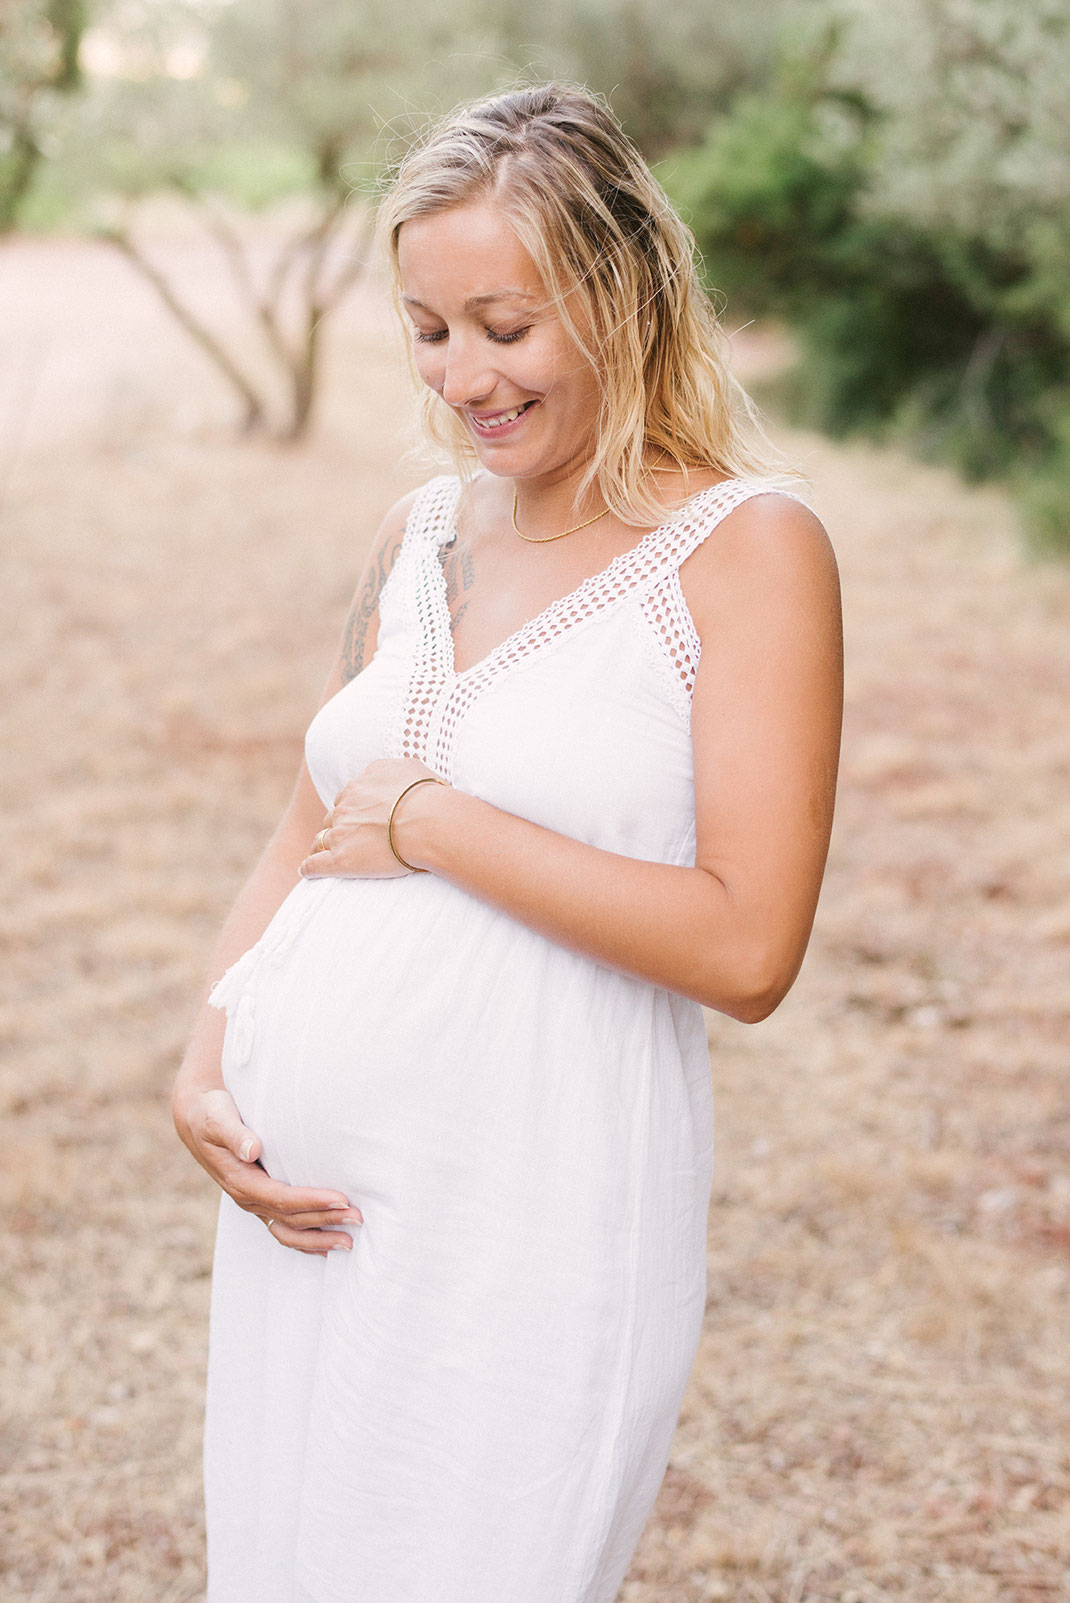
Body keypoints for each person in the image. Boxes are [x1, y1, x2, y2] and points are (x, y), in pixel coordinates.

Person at [172, 82, 842, 1603]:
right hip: (306, 1230)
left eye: (505, 324)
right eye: (427, 328)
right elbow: (309, 816)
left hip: (529, 1228)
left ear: (623, 299)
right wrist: (205, 1066)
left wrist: (445, 825)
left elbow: (747, 949)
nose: (462, 374)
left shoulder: (746, 551)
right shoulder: (420, 531)